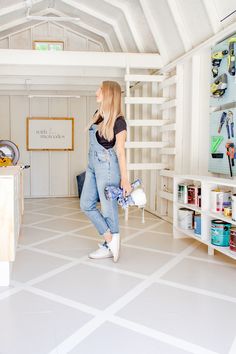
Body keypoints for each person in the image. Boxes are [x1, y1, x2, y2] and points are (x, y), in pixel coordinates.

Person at [80, 81, 132, 262]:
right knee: (85, 204)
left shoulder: (119, 122)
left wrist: (125, 179)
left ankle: (109, 245)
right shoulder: (98, 115)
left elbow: (120, 151)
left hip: (108, 168)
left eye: (99, 90)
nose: (96, 92)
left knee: (109, 210)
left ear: (108, 94)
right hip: (92, 166)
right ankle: (110, 238)